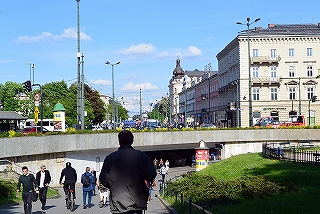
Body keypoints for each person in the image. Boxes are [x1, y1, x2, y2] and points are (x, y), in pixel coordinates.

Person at [99, 130, 157, 214]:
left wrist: (114, 185)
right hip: (137, 202)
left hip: (118, 203)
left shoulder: (110, 158)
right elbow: (151, 174)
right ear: (132, 141)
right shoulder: (141, 156)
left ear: (119, 142)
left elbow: (103, 180)